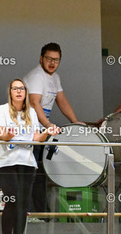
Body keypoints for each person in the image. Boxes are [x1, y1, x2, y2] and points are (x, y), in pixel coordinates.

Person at [0, 79, 58, 234]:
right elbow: (1, 135)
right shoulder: (2, 110)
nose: (19, 91)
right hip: (6, 162)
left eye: (21, 88)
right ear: (10, 92)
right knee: (12, 198)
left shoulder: (32, 113)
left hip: (27, 162)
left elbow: (36, 138)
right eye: (15, 88)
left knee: (22, 202)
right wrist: (8, 134)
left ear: (25, 92)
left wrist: (47, 132)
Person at [23, 42, 79, 218]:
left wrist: (76, 122)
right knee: (31, 174)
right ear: (41, 58)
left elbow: (62, 101)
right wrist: (48, 125)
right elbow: (34, 103)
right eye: (49, 59)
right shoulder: (36, 76)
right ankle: (30, 213)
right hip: (30, 132)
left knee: (41, 173)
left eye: (56, 60)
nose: (52, 63)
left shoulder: (55, 78)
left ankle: (40, 213)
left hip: (43, 131)